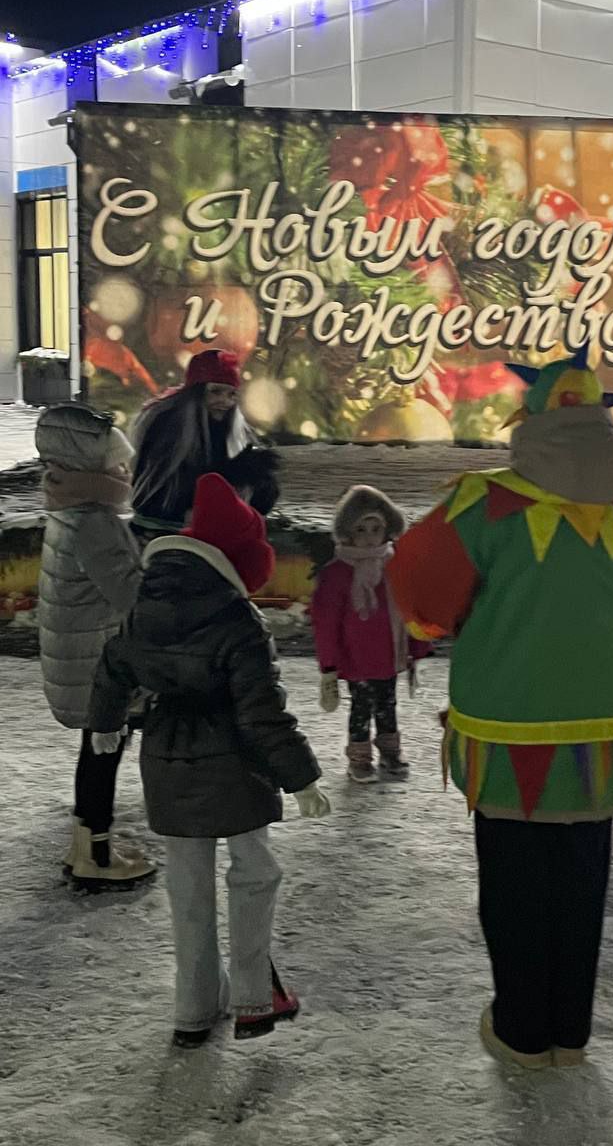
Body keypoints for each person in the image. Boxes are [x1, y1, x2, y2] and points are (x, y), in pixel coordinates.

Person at [387, 347, 613, 1070]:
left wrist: (452, 626)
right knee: (583, 884)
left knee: (515, 887)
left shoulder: (481, 507)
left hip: (509, 729)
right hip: (612, 731)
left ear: (528, 422)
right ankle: (569, 1033)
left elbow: (421, 596)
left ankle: (522, 1032)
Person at [88, 473, 329, 1047]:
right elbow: (260, 714)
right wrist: (301, 779)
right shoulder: (237, 620)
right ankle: (252, 996)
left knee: (188, 886)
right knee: (254, 872)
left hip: (166, 756)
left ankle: (193, 1008)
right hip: (234, 763)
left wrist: (106, 723)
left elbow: (113, 664)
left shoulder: (146, 604)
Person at [35, 403, 155, 891]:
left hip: (85, 656)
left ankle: (87, 844)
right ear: (88, 465)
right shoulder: (95, 521)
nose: (124, 470)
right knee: (104, 749)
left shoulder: (70, 507)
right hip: (99, 663)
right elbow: (130, 595)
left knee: (98, 748)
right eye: (114, 461)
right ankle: (95, 855)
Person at [312, 485, 427, 783]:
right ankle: (360, 757)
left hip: (389, 654)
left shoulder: (397, 566)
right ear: (347, 532)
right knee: (361, 707)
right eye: (361, 529)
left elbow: (411, 608)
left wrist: (417, 645)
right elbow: (326, 621)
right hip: (355, 658)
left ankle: (390, 750)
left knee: (388, 703)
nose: (369, 536)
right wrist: (328, 664)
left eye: (376, 528)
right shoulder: (337, 573)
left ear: (388, 529)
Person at [130, 348, 278, 543]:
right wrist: (233, 474)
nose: (225, 402)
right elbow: (173, 490)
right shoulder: (168, 424)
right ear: (196, 392)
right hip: (161, 525)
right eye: (216, 392)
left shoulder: (227, 425)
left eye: (231, 395)